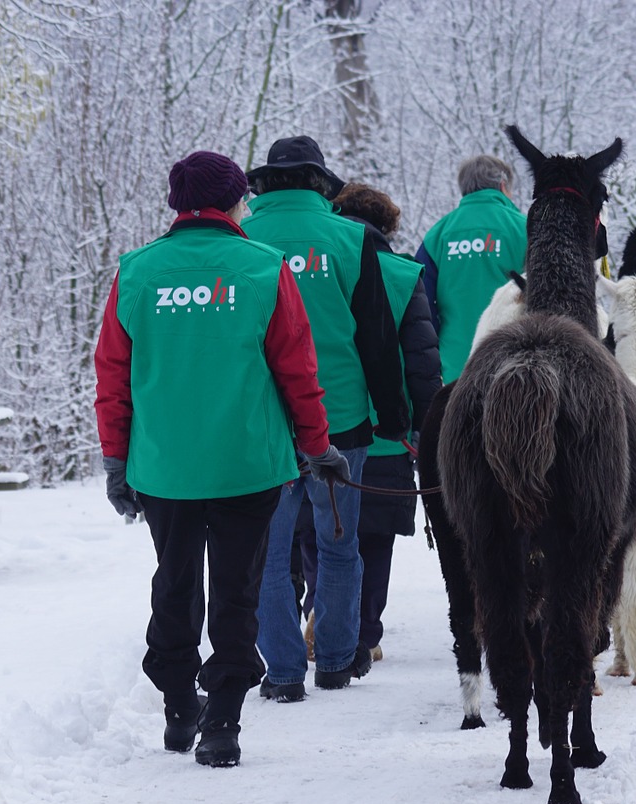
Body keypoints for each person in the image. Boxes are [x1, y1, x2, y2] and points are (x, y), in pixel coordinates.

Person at [93, 150, 348, 768]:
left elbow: (112, 377)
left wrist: (116, 461)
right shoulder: (263, 268)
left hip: (163, 467)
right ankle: (224, 724)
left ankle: (180, 707)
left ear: (177, 205)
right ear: (235, 203)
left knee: (174, 583)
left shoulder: (137, 271)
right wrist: (318, 447)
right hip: (247, 464)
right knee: (238, 590)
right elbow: (298, 370)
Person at [242, 135, 410, 701]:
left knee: (268, 554)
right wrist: (393, 415)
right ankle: (336, 661)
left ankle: (284, 673)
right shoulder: (352, 237)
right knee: (340, 545)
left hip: (264, 427)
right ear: (320, 183)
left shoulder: (242, 239)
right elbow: (376, 337)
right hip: (339, 422)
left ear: (265, 183)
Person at [329, 181, 441, 661]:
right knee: (374, 539)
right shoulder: (401, 273)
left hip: (321, 431)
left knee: (324, 532)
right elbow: (420, 360)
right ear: (389, 226)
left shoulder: (310, 267)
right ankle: (363, 633)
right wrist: (426, 426)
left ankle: (326, 615)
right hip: (385, 439)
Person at [415, 154, 528, 383]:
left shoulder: (438, 234)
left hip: (454, 369)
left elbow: (420, 304)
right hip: (513, 366)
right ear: (503, 186)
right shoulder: (525, 229)